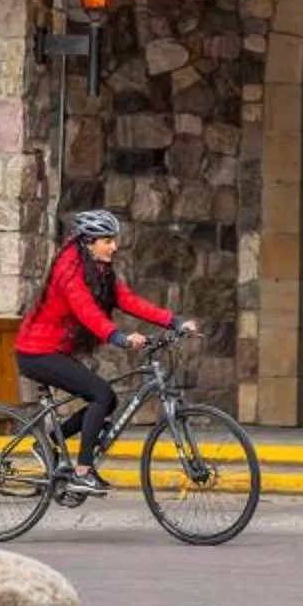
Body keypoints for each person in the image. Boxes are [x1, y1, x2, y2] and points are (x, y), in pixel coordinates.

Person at [14, 209, 194, 498]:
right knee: (100, 394)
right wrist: (119, 337)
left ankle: (45, 443)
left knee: (107, 399)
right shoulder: (69, 270)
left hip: (55, 349)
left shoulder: (97, 267)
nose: (114, 246)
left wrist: (173, 320)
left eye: (113, 239)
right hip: (37, 352)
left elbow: (127, 299)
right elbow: (85, 310)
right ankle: (83, 474)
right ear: (88, 242)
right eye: (107, 240)